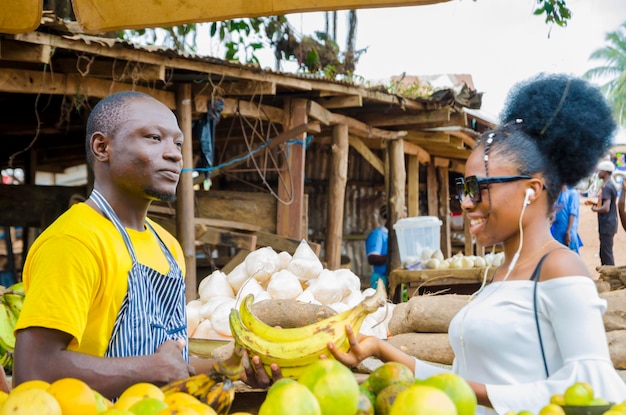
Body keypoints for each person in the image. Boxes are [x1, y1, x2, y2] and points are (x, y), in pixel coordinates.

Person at [328, 73, 626, 414]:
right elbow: (459, 380)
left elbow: (595, 388)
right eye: (461, 189)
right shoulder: (499, 276)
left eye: (476, 188)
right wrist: (380, 351)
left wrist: (471, 391)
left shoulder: (560, 266)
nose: (464, 203)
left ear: (532, 189)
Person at [13, 91, 275, 399]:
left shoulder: (168, 245)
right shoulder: (74, 241)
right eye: (154, 138)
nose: (175, 154)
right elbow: (32, 370)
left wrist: (235, 364)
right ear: (102, 147)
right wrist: (147, 370)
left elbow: (170, 363)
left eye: (177, 143)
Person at [585, 160, 618, 265]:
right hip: (609, 223)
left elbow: (606, 208)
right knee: (604, 252)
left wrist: (595, 210)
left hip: (607, 224)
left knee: (606, 254)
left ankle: (611, 277)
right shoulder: (609, 185)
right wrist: (595, 204)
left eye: (600, 171)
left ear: (605, 172)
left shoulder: (607, 187)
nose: (598, 173)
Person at [550, 185, 583, 253]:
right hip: (558, 230)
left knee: (572, 254)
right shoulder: (558, 194)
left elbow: (572, 213)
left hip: (568, 231)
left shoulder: (572, 193)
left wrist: (568, 231)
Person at [365, 204, 388, 289]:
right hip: (381, 280)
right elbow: (372, 258)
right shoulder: (378, 234)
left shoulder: (397, 234)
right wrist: (392, 258)